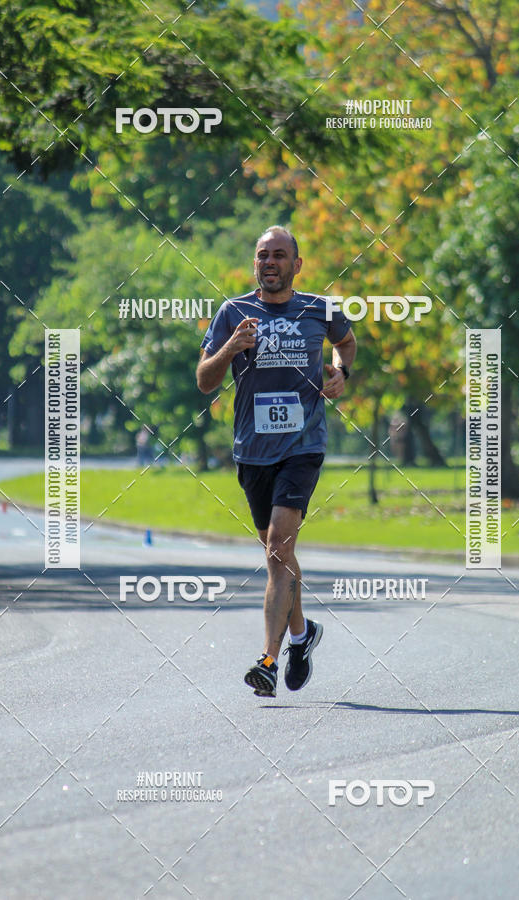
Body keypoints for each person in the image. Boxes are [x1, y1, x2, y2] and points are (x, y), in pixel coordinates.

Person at [196, 226, 356, 697]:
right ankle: (303, 635)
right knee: (277, 554)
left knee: (279, 549)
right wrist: (230, 348)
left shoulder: (320, 310)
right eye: (262, 255)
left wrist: (341, 373)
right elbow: (205, 381)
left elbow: (345, 343)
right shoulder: (234, 312)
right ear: (254, 265)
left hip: (303, 447)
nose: (270, 262)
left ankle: (267, 659)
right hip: (252, 451)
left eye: (279, 255)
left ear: (297, 265)